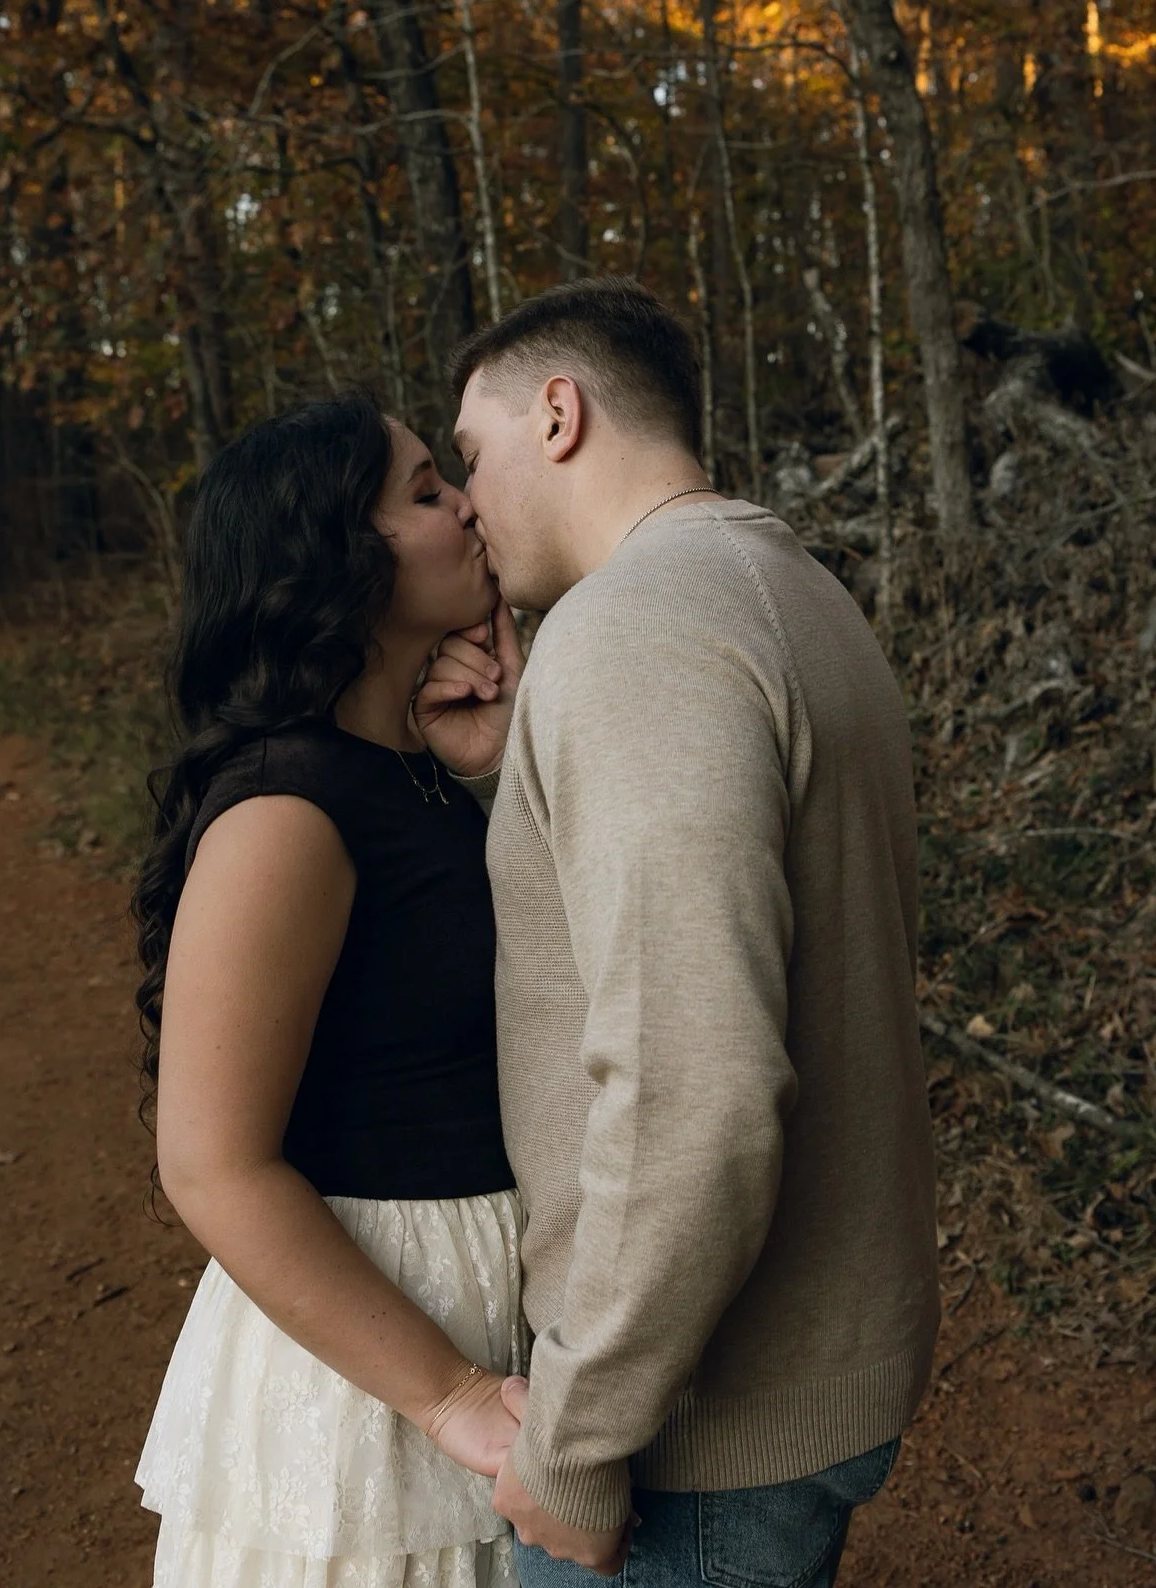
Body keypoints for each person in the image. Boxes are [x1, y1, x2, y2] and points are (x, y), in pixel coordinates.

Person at [415, 277, 941, 1588]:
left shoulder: (637, 633)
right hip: (794, 1370)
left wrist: (579, 1444)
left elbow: (699, 1089)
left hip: (694, 1435)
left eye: (467, 456)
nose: (465, 505)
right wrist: (517, 772)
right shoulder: (779, 585)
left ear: (559, 413)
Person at [133, 395, 531, 1588]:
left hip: (474, 1300)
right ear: (334, 557)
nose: (466, 501)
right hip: (377, 1356)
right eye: (422, 491)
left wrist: (496, 764)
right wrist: (446, 1391)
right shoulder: (284, 812)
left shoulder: (401, 776)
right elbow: (209, 1162)